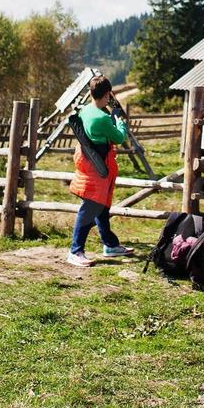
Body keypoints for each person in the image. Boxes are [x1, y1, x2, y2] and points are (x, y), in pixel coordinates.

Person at [65, 76, 135, 267]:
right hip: (98, 168)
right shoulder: (103, 118)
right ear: (106, 94)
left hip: (89, 162)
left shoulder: (86, 110)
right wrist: (119, 120)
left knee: (101, 207)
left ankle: (110, 245)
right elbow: (119, 137)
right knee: (89, 210)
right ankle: (75, 250)